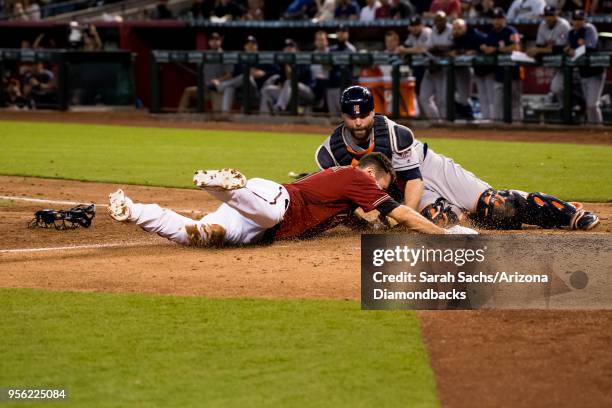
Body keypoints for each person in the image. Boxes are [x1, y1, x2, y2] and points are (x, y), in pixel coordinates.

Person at [314, 86, 600, 231]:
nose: (358, 122)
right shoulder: (330, 153)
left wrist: (399, 222)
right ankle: (464, 214)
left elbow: (414, 181)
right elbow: (339, 200)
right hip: (397, 190)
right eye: (351, 116)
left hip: (429, 170)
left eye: (363, 114)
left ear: (373, 112)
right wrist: (366, 225)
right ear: (342, 116)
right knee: (441, 220)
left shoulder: (395, 134)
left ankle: (568, 213)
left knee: (497, 206)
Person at [107, 153, 475, 249]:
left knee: (202, 235)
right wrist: (444, 235)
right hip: (273, 202)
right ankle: (223, 186)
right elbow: (402, 214)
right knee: (267, 217)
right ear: (374, 175)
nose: (382, 191)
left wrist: (373, 225)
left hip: (260, 218)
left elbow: (358, 220)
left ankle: (133, 210)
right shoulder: (357, 178)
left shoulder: (342, 187)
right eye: (385, 184)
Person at [210, 36, 279, 113]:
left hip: (258, 91)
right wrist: (219, 80)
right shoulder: (241, 60)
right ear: (244, 47)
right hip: (242, 92)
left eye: (253, 44)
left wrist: (264, 73)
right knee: (230, 88)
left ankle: (221, 86)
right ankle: (225, 114)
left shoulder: (264, 58)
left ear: (257, 46)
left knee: (247, 77)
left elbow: (277, 72)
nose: (250, 46)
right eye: (248, 44)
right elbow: (234, 74)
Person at [480, 7, 522, 122]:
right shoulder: (491, 33)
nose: (497, 21)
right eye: (494, 18)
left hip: (513, 72)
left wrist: (496, 49)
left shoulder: (511, 31)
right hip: (499, 73)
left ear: (504, 19)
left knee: (514, 101)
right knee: (497, 102)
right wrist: (485, 48)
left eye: (499, 18)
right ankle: (498, 129)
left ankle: (518, 126)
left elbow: (517, 47)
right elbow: (486, 47)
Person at [565, 10, 604, 124]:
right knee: (589, 104)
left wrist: (574, 51)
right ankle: (592, 127)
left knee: (592, 104)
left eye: (580, 20)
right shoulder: (571, 33)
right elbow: (567, 48)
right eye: (575, 19)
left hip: (595, 71)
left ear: (584, 20)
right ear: (571, 21)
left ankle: (598, 128)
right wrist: (568, 50)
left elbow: (590, 47)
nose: (577, 22)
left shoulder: (589, 29)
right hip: (583, 72)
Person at [178, 32, 232, 113]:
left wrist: (219, 80)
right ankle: (180, 115)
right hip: (205, 89)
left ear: (220, 41)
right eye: (212, 40)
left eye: (217, 40)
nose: (214, 42)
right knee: (188, 91)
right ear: (209, 42)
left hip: (217, 90)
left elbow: (229, 75)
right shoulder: (205, 55)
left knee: (219, 115)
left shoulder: (225, 56)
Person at [526, 6, 570, 105]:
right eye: (547, 16)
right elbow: (539, 45)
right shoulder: (543, 25)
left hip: (570, 65)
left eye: (551, 15)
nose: (549, 18)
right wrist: (535, 51)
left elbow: (560, 49)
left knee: (559, 88)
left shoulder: (563, 25)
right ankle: (565, 109)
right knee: (556, 88)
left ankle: (570, 108)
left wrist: (538, 50)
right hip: (558, 66)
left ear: (556, 14)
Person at [259, 39, 314, 114]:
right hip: (289, 94)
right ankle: (264, 115)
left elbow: (294, 79)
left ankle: (279, 108)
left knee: (290, 82)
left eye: (291, 47)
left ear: (296, 50)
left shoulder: (302, 60)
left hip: (306, 91)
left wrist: (287, 64)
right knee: (266, 90)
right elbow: (280, 80)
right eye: (286, 48)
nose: (288, 50)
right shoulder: (281, 63)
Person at [418, 11, 453, 120]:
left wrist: (438, 48)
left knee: (443, 100)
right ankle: (436, 122)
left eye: (441, 20)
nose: (438, 22)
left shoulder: (451, 29)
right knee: (423, 98)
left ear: (446, 20)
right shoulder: (433, 30)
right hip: (431, 68)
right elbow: (428, 47)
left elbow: (450, 47)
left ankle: (445, 123)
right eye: (436, 20)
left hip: (444, 69)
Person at [450, 18, 487, 120]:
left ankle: (490, 121)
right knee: (478, 97)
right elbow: (454, 50)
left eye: (459, 28)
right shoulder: (455, 37)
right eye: (455, 29)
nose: (456, 31)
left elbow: (487, 45)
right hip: (474, 70)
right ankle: (471, 117)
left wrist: (477, 50)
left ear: (465, 27)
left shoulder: (475, 36)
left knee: (490, 98)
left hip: (488, 69)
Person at [397, 16, 431, 96]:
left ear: (422, 25)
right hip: (423, 68)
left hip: (435, 68)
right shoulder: (411, 36)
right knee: (421, 96)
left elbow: (423, 49)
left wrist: (406, 51)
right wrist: (403, 49)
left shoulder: (427, 32)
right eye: (413, 26)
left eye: (417, 25)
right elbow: (402, 49)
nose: (415, 28)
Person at [327, 25, 356, 116]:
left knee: (346, 115)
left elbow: (355, 69)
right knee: (333, 116)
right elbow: (327, 66)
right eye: (339, 32)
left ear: (347, 34)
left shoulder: (351, 49)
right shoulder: (331, 49)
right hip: (333, 85)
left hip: (346, 87)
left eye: (343, 32)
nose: (341, 34)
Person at [310, 30, 331, 111]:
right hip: (313, 86)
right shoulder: (313, 54)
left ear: (326, 41)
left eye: (322, 39)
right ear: (315, 42)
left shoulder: (331, 53)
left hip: (328, 85)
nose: (320, 42)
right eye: (318, 40)